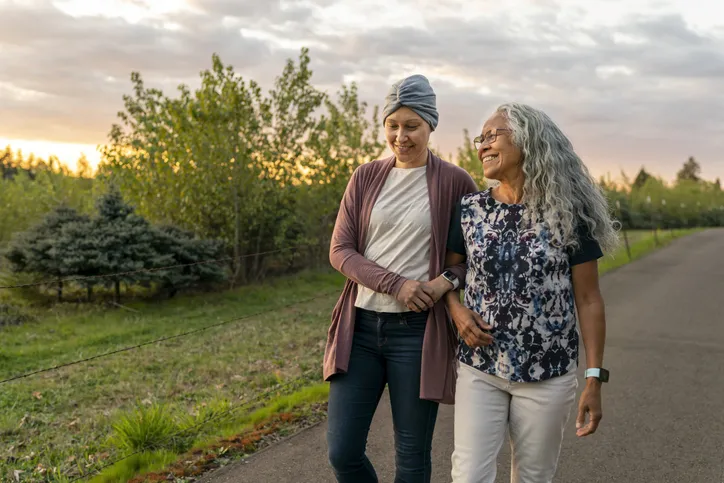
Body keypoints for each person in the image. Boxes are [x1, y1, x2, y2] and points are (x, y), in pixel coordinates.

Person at [444, 102, 619, 483]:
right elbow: (449, 274)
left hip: (548, 374)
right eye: (481, 138)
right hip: (481, 367)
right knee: (469, 475)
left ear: (529, 140)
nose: (483, 145)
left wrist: (594, 378)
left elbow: (589, 300)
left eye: (493, 135)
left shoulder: (567, 212)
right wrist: (455, 310)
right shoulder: (470, 209)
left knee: (533, 478)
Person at [323, 74, 478, 483]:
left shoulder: (456, 182)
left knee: (411, 457)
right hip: (360, 330)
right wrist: (398, 284)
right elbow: (341, 251)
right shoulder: (365, 176)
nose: (401, 135)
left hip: (417, 334)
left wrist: (444, 281)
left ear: (430, 125)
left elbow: (475, 259)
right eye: (393, 125)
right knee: (343, 452)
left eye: (412, 126)